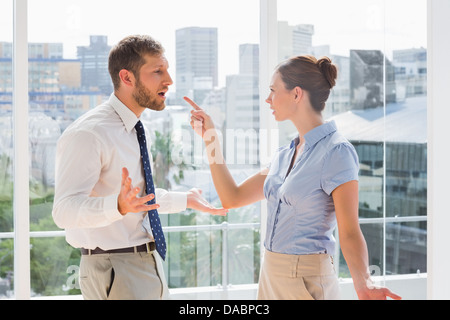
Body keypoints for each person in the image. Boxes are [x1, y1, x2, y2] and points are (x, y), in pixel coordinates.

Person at [185, 55, 401, 300]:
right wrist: (210, 138)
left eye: (273, 90)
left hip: (307, 280)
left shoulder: (337, 152)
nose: (268, 99)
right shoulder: (284, 155)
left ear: (296, 94)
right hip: (270, 275)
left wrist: (364, 283)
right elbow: (231, 198)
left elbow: (350, 230)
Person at [52, 35, 228, 300]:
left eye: (166, 70)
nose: (168, 80)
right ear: (127, 77)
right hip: (117, 267)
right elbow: (63, 211)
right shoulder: (89, 133)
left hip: (143, 261)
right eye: (157, 71)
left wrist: (187, 200)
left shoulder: (132, 128)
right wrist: (118, 206)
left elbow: (136, 199)